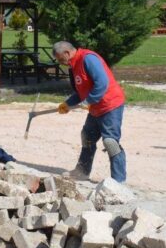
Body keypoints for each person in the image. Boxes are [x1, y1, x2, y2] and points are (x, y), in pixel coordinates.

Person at [54, 41, 127, 183]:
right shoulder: (73, 65)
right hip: (95, 108)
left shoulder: (88, 59)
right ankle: (82, 171)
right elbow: (81, 92)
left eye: (60, 58)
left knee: (110, 142)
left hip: (110, 105)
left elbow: (102, 83)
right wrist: (68, 104)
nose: (60, 62)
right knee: (87, 137)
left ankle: (118, 181)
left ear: (67, 53)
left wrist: (88, 101)